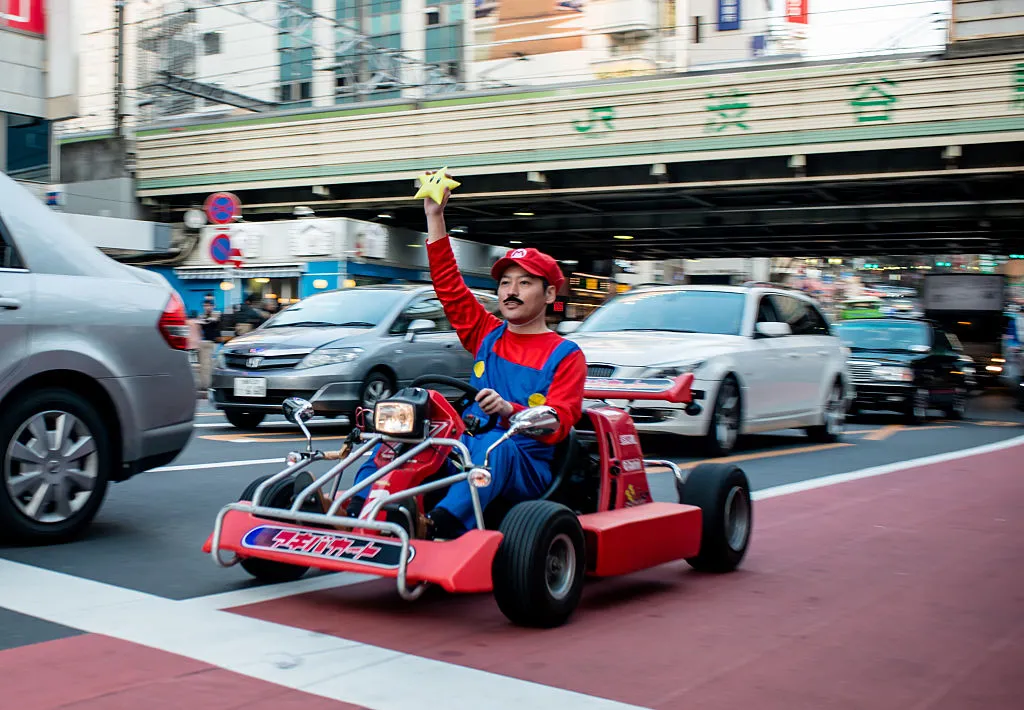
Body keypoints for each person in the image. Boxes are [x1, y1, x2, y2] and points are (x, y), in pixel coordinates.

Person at [346, 180, 587, 539]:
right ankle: (356, 508)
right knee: (403, 437)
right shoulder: (486, 332)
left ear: (549, 293)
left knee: (492, 449)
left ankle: (437, 525)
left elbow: (559, 422)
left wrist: (509, 410)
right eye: (506, 283)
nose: (511, 291)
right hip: (462, 443)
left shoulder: (566, 355)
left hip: (523, 461)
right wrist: (435, 216)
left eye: (524, 283)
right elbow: (448, 284)